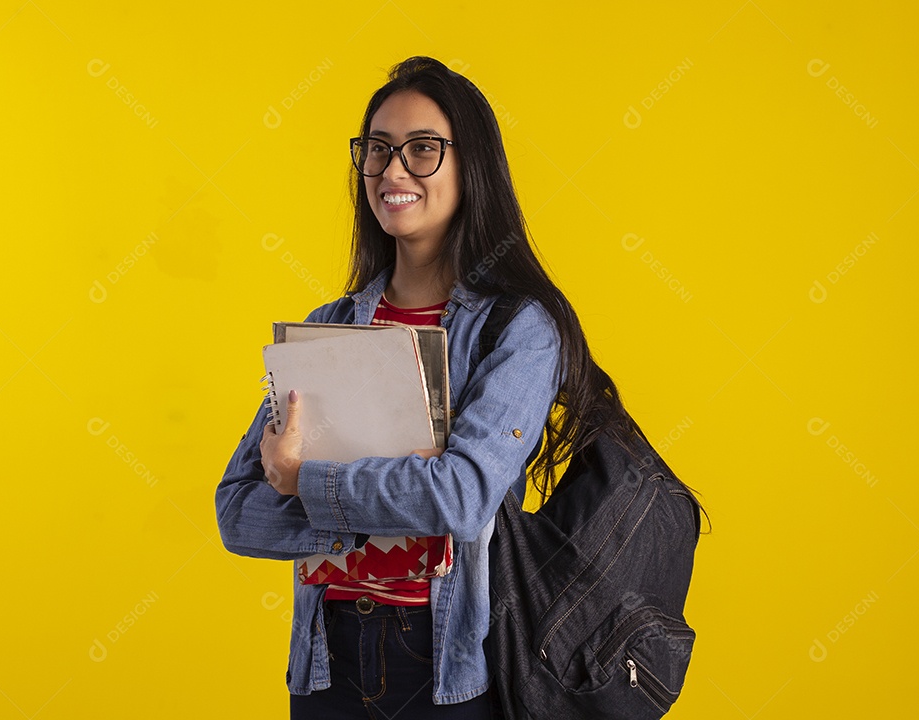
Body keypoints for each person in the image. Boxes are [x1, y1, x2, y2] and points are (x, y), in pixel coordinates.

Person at [216, 56, 643, 718]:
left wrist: (305, 482)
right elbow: (236, 512)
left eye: (422, 150)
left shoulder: (521, 327)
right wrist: (376, 512)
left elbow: (462, 496)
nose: (391, 172)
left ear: (469, 166)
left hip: (442, 659)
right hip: (325, 655)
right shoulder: (329, 328)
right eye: (378, 151)